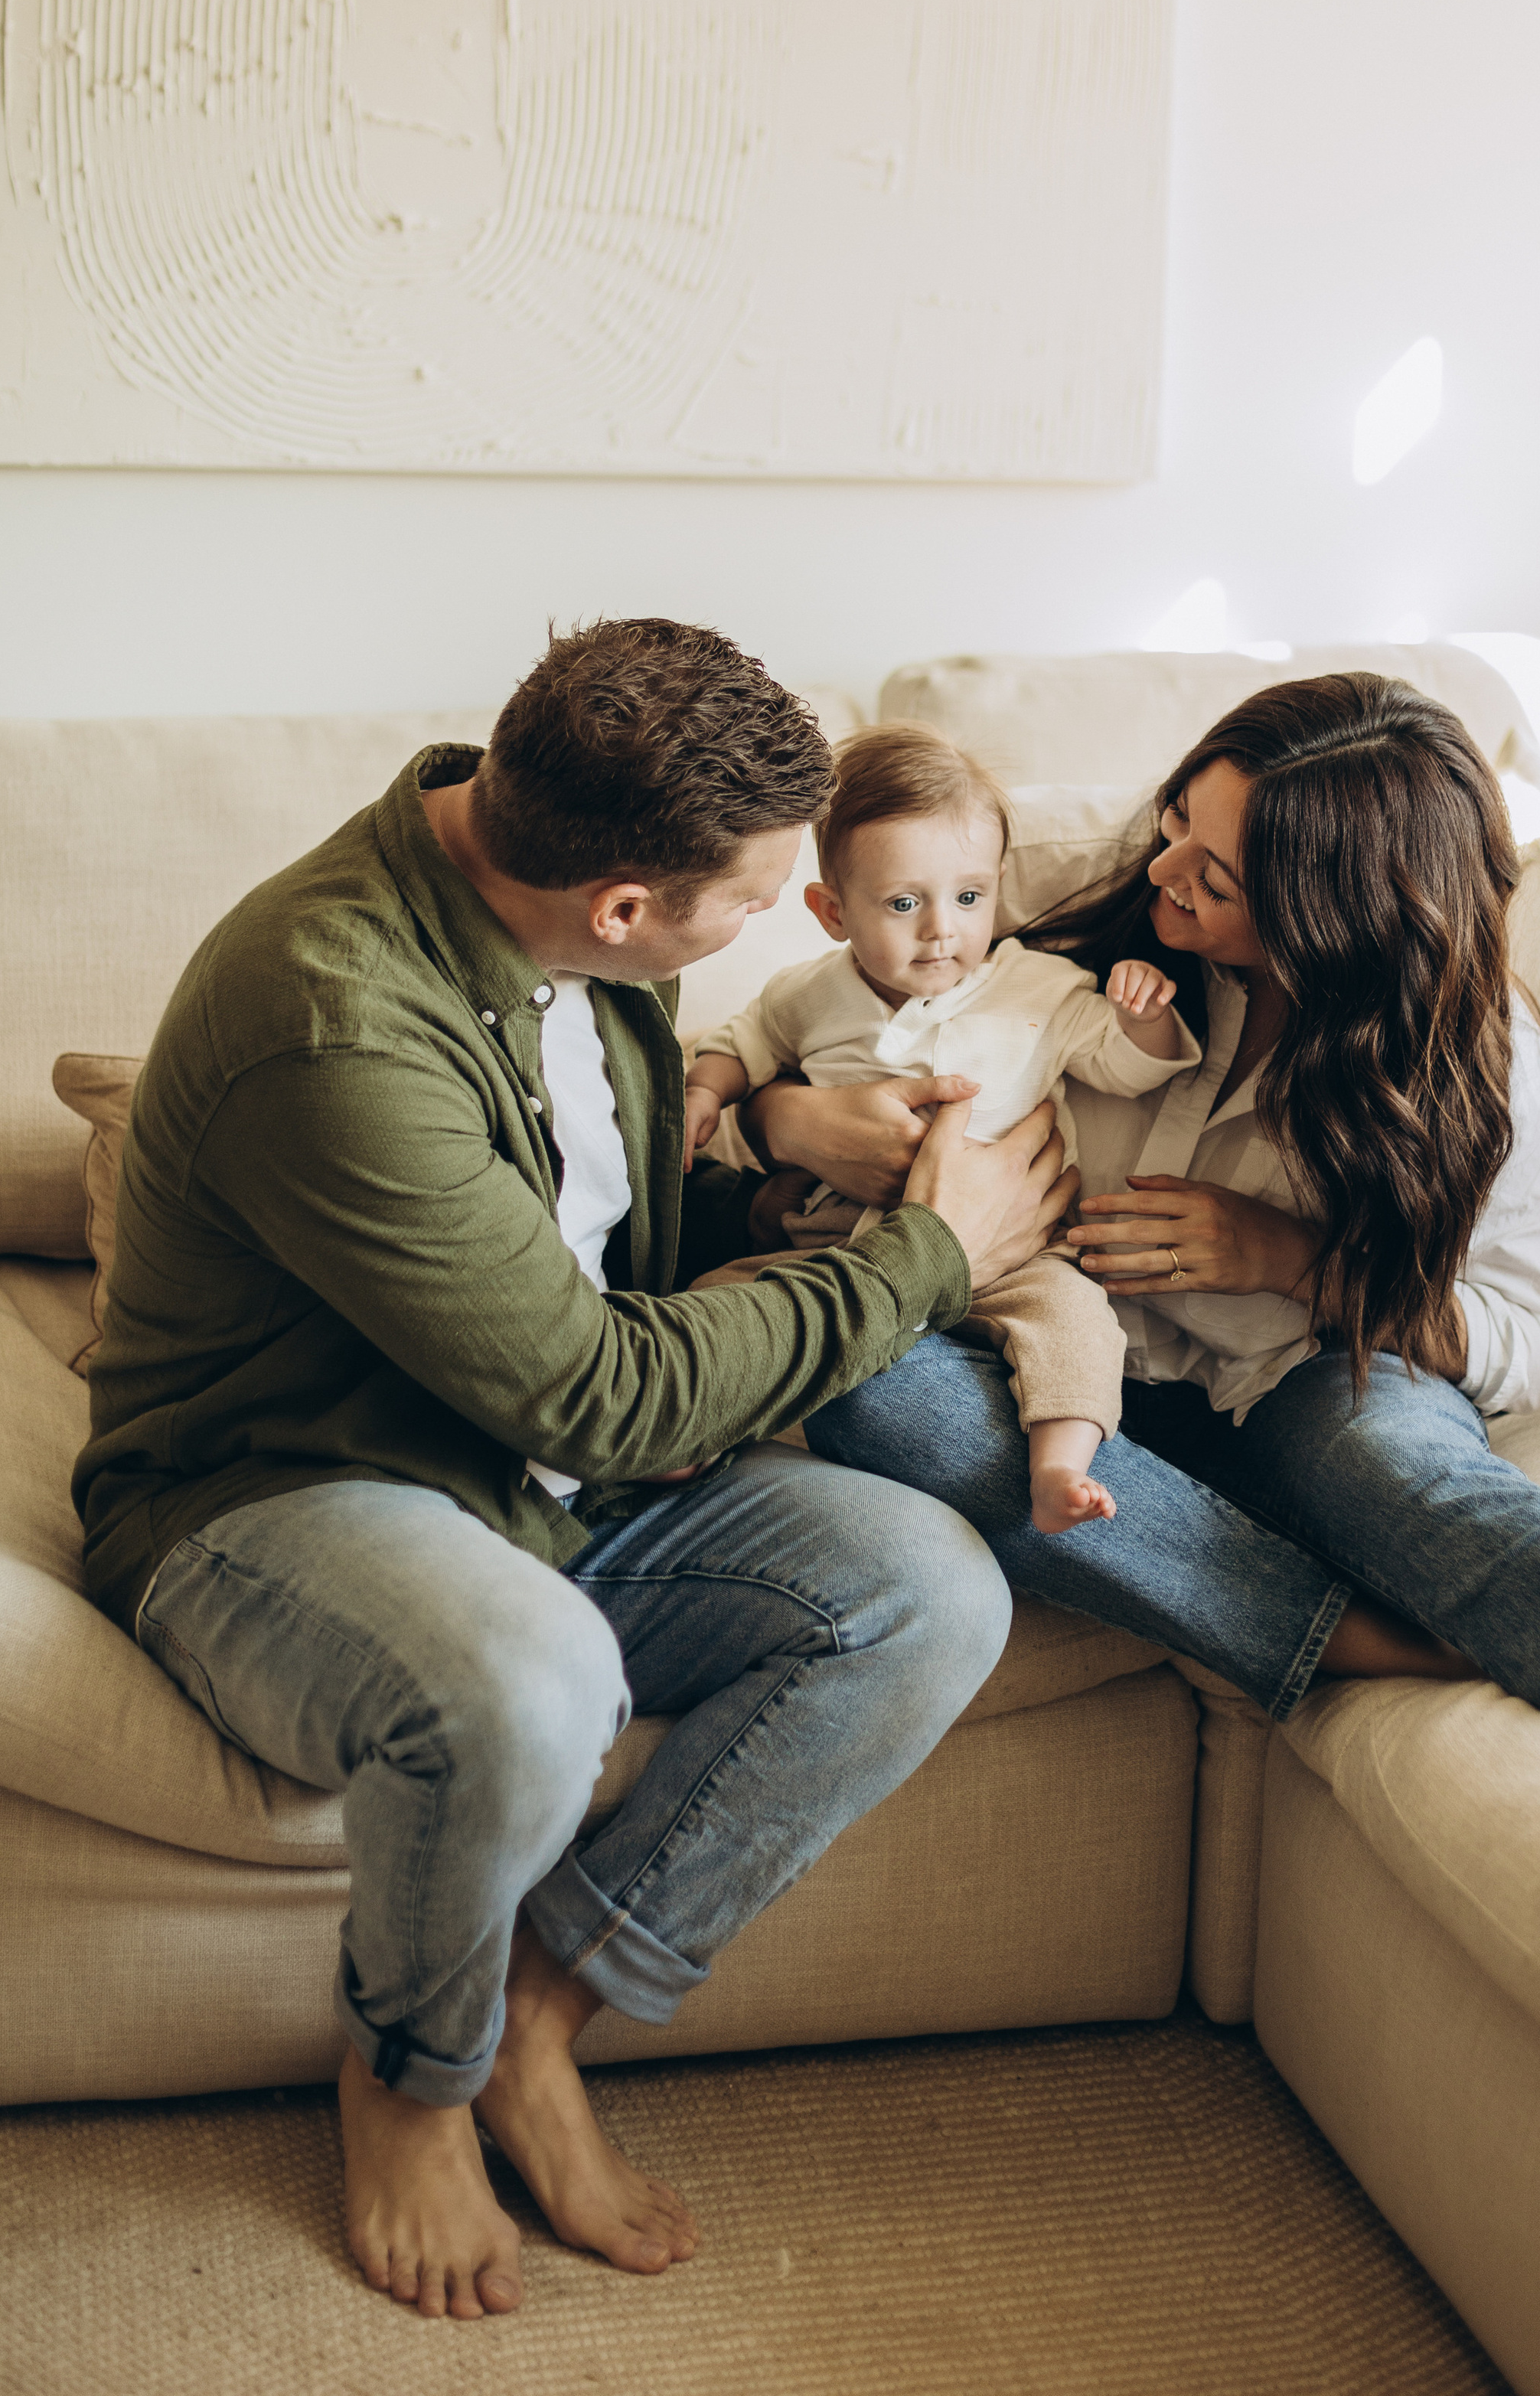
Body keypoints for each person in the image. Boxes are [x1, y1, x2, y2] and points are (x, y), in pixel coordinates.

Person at [71, 618, 1075, 2323]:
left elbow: (614, 1254)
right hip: (282, 1498)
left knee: (925, 1590)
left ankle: (542, 2013)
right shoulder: (330, 1018)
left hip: (539, 1486)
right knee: (529, 1683)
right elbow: (605, 1389)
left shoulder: (587, 932)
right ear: (623, 904)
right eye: (755, 898)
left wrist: (765, 1137)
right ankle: (409, 2073)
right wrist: (930, 1252)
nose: (780, 922)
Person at [758, 674, 1540, 1896]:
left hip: (1300, 1376)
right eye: (1176, 827)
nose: (1165, 876)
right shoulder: (1076, 875)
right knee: (871, 1382)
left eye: (1215, 877)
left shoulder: (1472, 1054)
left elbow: (1536, 1342)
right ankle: (1332, 1632)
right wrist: (798, 1122)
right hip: (1056, 1359)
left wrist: (1287, 1259)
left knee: (1403, 1474)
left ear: (1333, 914)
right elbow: (818, 998)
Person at [684, 723, 1200, 1533]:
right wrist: (706, 1092)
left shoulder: (1039, 986)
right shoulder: (807, 994)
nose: (941, 930)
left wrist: (1143, 1020)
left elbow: (1127, 1068)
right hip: (832, 1247)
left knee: (1076, 1326)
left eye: (969, 898)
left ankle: (1059, 1466)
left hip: (1014, 1253)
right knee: (714, 1301)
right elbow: (743, 1045)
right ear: (830, 911)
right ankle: (696, 1438)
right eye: (902, 904)